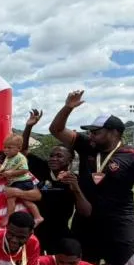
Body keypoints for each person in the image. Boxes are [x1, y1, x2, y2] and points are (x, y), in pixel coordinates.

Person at [49, 91, 134, 265]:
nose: (90, 136)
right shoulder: (86, 146)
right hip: (86, 220)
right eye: (90, 132)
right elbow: (56, 130)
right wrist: (68, 108)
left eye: (96, 132)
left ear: (114, 133)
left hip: (119, 222)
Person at [21, 109, 91, 254]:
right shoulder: (43, 169)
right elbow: (23, 151)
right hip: (37, 230)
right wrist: (29, 126)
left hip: (60, 233)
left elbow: (86, 211)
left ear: (70, 160)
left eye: (59, 156)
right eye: (52, 155)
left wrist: (76, 188)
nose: (53, 158)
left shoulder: (75, 179)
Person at [0, 133, 44, 224]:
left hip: (23, 181)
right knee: (26, 201)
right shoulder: (8, 157)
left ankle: (9, 217)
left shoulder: (20, 157)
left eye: (9, 148)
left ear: (18, 148)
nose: (6, 150)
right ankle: (38, 216)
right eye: (5, 147)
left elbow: (25, 170)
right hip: (16, 182)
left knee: (11, 198)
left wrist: (11, 173)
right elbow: (3, 167)